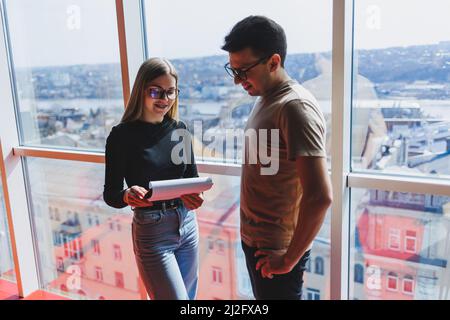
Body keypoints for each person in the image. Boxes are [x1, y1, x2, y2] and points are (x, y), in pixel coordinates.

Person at [222, 16, 333, 300]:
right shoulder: (266, 97)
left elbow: (320, 196)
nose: (238, 81)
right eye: (233, 70)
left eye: (244, 70)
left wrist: (287, 260)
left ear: (273, 62)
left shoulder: (294, 107)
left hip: (276, 251)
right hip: (259, 244)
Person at [103, 57, 203, 300]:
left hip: (187, 225)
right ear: (141, 91)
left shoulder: (180, 129)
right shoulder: (121, 136)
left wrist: (195, 197)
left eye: (171, 92)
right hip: (152, 230)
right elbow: (112, 195)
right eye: (156, 91)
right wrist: (127, 195)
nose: (165, 99)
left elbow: (191, 179)